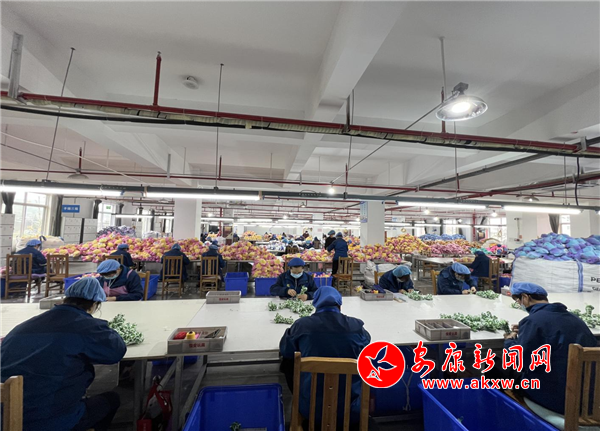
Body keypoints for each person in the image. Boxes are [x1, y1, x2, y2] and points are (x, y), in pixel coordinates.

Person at [1, 278, 126, 431]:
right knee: (112, 400)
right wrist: (103, 327)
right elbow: (116, 352)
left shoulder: (22, 327)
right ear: (95, 304)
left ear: (65, 299)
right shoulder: (85, 326)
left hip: (6, 416)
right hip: (49, 420)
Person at [279, 286, 371, 428]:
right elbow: (366, 344)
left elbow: (285, 350)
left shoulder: (302, 325)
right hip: (350, 411)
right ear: (339, 305)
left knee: (287, 363)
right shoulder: (356, 326)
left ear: (316, 304)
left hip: (310, 410)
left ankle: (301, 397)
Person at [504, 282, 597, 416]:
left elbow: (519, 362)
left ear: (525, 297)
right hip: (588, 399)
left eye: (517, 300)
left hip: (557, 399)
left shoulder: (533, 321)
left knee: (497, 368)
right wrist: (527, 331)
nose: (519, 304)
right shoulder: (575, 319)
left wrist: (509, 341)